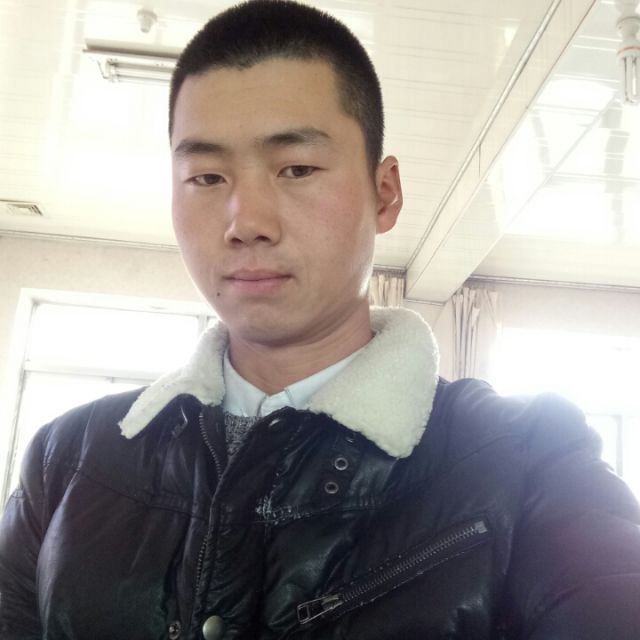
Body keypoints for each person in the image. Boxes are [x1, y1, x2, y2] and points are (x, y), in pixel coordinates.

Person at [1, 0, 640, 638]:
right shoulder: (67, 460)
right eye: (207, 177)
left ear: (385, 193)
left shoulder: (528, 460)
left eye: (297, 169)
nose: (247, 223)